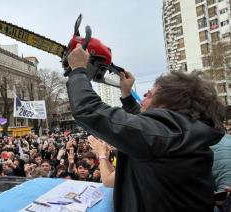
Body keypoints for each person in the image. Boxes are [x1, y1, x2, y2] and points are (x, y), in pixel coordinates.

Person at [66, 44, 225, 212]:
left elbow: (88, 110)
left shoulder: (164, 135)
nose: (143, 95)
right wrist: (126, 96)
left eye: (149, 94)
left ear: (169, 104)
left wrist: (77, 70)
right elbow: (143, 126)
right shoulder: (179, 133)